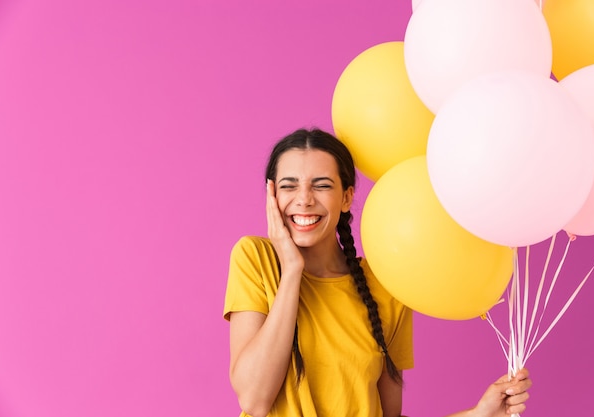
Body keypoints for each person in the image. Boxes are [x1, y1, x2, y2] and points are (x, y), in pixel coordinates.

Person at [223, 128, 532, 417]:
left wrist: (478, 414)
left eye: (322, 185)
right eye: (289, 186)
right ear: (272, 196)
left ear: (346, 198)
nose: (304, 199)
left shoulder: (384, 282)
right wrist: (291, 270)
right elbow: (254, 398)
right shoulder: (255, 258)